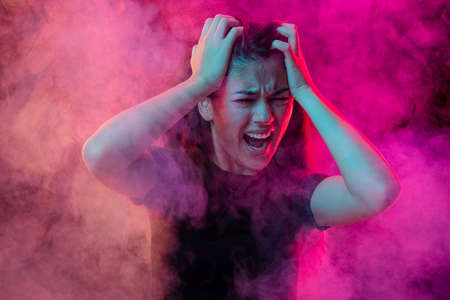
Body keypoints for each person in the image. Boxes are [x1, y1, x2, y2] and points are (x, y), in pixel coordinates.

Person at [82, 14, 400, 300]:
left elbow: (378, 191)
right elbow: (100, 153)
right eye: (246, 99)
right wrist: (200, 83)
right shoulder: (175, 179)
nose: (265, 116)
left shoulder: (293, 192)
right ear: (206, 105)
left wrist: (304, 90)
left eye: (279, 98)